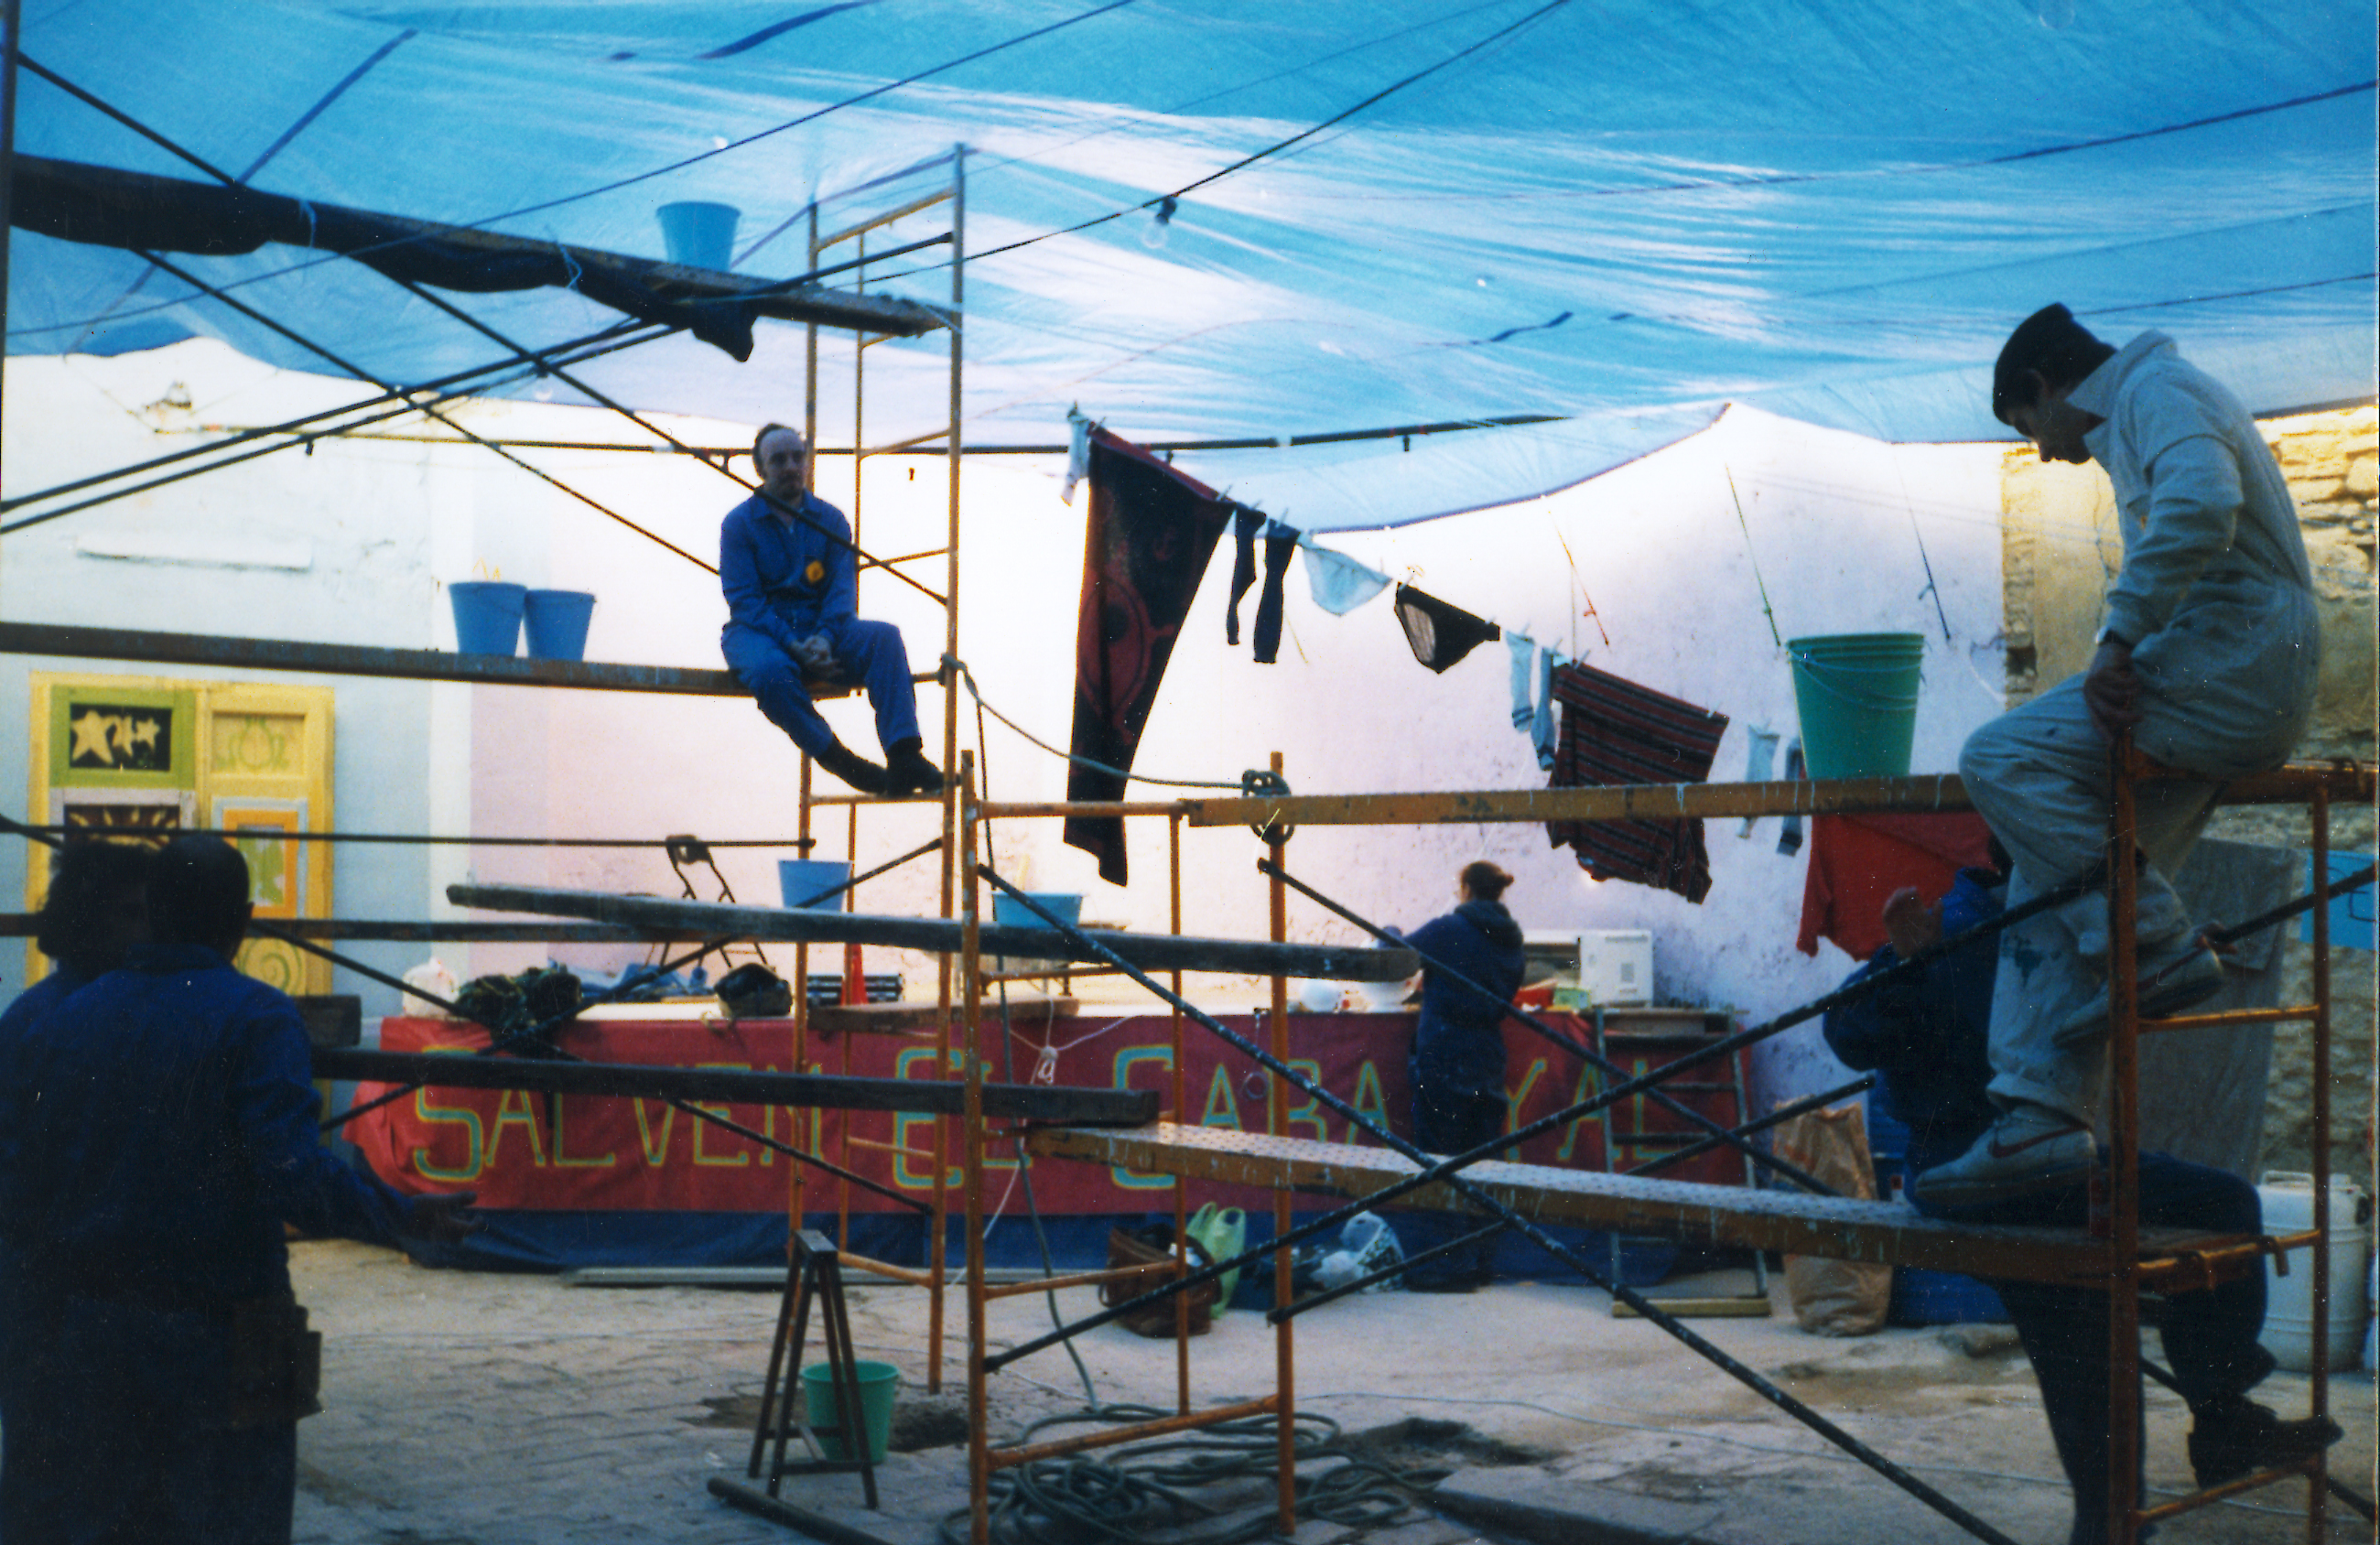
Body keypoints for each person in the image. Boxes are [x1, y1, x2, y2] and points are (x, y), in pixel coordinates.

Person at [1919, 305, 2320, 1208]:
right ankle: (2038, 1118)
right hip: (2220, 668)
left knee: (1998, 757)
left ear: (2041, 387)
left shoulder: (2158, 389)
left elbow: (2200, 506)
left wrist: (2113, 640)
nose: (2043, 453)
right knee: (2055, 878)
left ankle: (2151, 941)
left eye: (2025, 428)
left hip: (2238, 666)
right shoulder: (2147, 403)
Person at [1824, 869, 2340, 1545]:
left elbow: (2097, 1004)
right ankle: (2110, 1520)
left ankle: (2219, 1418)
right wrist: (1905, 964)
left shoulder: (2061, 925)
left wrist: (2172, 959)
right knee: (2077, 1309)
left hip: (2055, 1161)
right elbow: (1846, 1033)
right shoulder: (1953, 928)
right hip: (1967, 1175)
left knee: (2225, 1203)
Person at [0, 836, 477, 1545]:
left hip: (90, 1330)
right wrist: (404, 1214)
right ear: (244, 919)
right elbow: (289, 1173)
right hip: (218, 1329)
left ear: (155, 913)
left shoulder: (63, 1017)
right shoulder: (255, 1015)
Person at [719, 422, 945, 797]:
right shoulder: (738, 525)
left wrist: (823, 639)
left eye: (797, 456)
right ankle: (841, 760)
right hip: (759, 632)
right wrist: (794, 645)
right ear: (759, 469)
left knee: (883, 638)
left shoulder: (832, 520)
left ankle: (905, 754)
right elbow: (746, 601)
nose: (791, 466)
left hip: (821, 629)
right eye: (778, 460)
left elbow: (841, 592)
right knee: (769, 671)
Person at [1390, 859, 1525, 1293]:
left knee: (1439, 1160)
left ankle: (1443, 1268)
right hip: (1487, 1059)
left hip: (1444, 1057)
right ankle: (1478, 1263)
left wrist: (1389, 930)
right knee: (1481, 1165)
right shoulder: (1513, 941)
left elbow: (1394, 959)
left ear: (1465, 888)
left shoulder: (1448, 930)